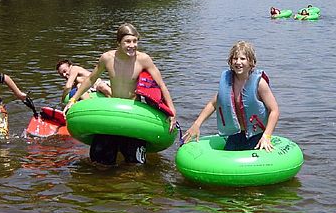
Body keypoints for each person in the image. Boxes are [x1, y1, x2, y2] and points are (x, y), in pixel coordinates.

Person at [63, 23, 176, 167]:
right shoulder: (107, 58)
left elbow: (161, 85)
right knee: (100, 162)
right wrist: (73, 99)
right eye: (127, 42)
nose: (132, 45)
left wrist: (172, 112)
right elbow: (91, 79)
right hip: (113, 110)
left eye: (135, 41)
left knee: (135, 166)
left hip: (134, 113)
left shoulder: (143, 59)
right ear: (118, 43)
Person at [182, 41, 278, 152]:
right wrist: (196, 125)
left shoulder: (260, 84)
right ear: (230, 62)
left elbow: (274, 110)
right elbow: (213, 103)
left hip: (257, 135)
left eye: (243, 59)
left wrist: (266, 136)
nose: (238, 62)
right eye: (235, 58)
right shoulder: (228, 82)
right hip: (236, 134)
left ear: (251, 62)